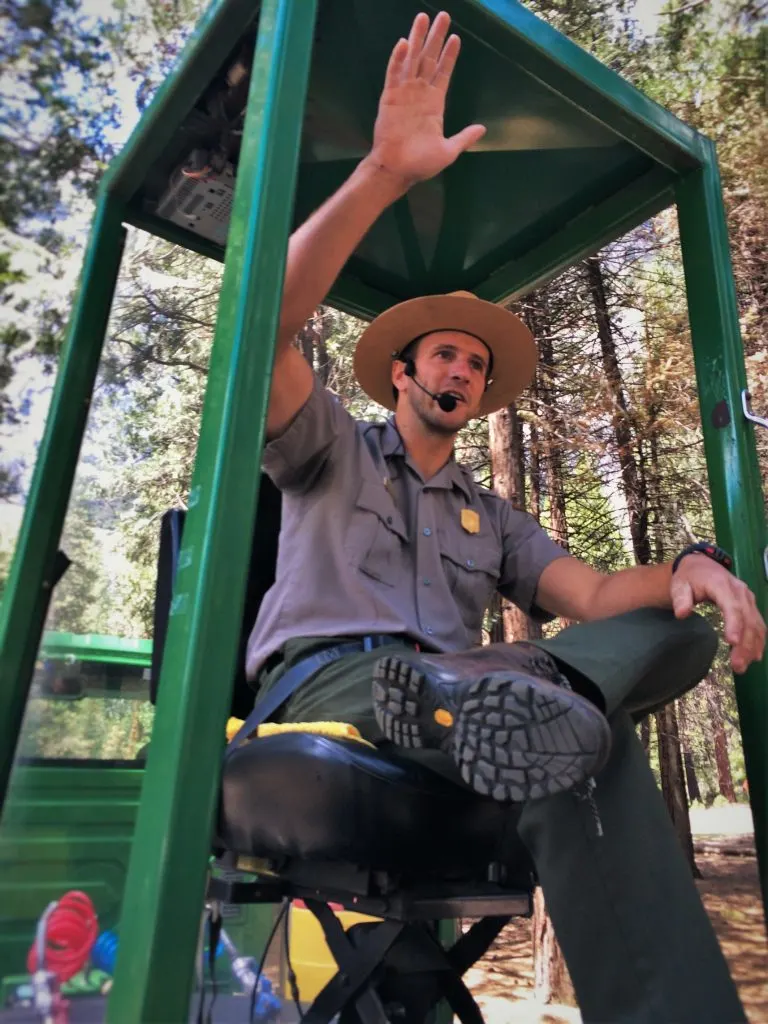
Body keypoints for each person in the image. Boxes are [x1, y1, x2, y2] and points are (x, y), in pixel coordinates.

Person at [245, 11, 766, 1022]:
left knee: (631, 686)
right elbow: (267, 320)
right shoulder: (330, 447)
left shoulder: (496, 517)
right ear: (403, 371)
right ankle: (502, 694)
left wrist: (691, 567)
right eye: (444, 353)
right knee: (564, 720)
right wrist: (385, 174)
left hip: (467, 708)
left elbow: (603, 594)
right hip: (331, 686)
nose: (462, 370)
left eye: (476, 365)